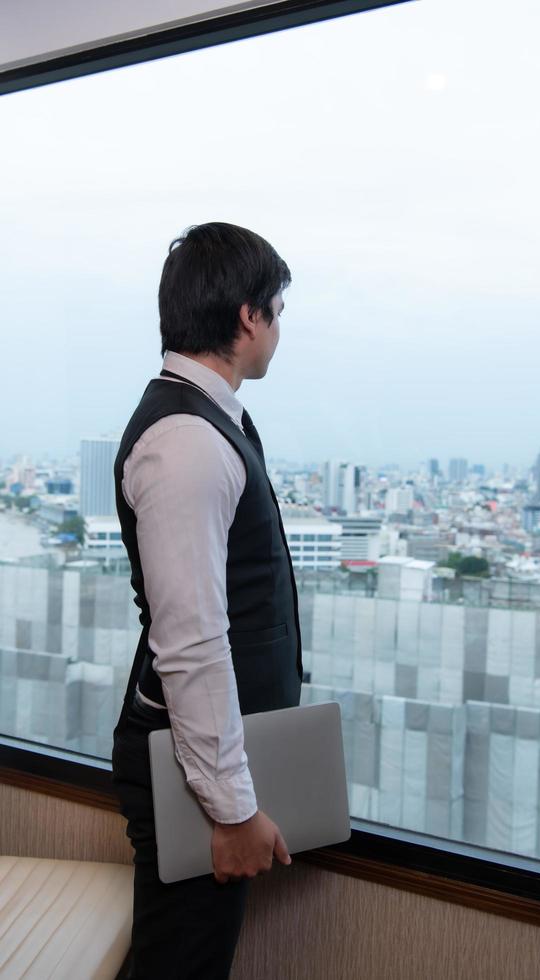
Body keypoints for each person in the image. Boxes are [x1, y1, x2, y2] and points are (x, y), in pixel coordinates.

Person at [111, 222, 303, 980]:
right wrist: (230, 811)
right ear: (248, 316)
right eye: (277, 310)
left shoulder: (206, 419)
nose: (277, 328)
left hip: (202, 762)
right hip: (188, 775)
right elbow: (190, 642)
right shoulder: (185, 442)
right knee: (180, 966)